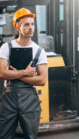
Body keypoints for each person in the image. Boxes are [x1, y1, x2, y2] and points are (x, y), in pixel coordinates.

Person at [0, 8, 48, 139]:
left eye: (32, 24)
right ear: (17, 26)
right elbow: (2, 73)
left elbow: (42, 80)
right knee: (4, 135)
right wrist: (26, 73)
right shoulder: (6, 48)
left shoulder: (39, 51)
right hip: (9, 96)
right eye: (26, 24)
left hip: (29, 99)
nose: (31, 27)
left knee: (31, 136)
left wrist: (18, 75)